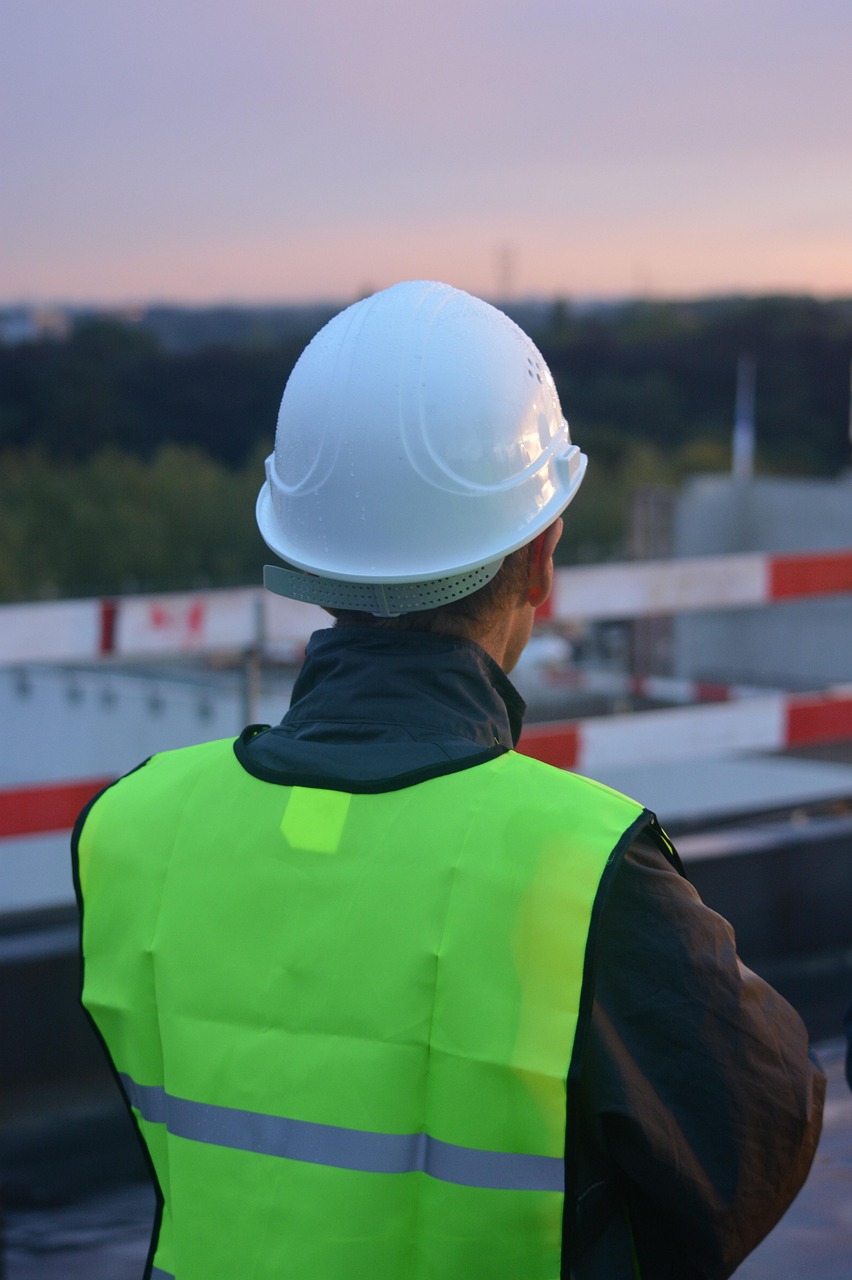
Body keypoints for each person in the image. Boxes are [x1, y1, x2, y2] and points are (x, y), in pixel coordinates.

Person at [73, 281, 824, 1280]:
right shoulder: (581, 867)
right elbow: (756, 1131)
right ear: (543, 555)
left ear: (303, 553)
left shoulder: (133, 827)